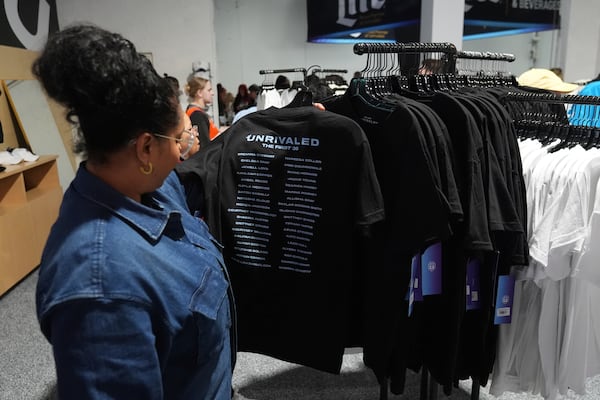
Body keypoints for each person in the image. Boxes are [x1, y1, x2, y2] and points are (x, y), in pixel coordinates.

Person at [33, 24, 233, 399]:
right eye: (180, 139)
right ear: (144, 149)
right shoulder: (101, 288)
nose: (183, 150)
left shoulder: (155, 187)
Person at [185, 74, 221, 149]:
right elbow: (204, 145)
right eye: (209, 90)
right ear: (199, 93)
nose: (212, 93)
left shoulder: (198, 112)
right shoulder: (196, 115)